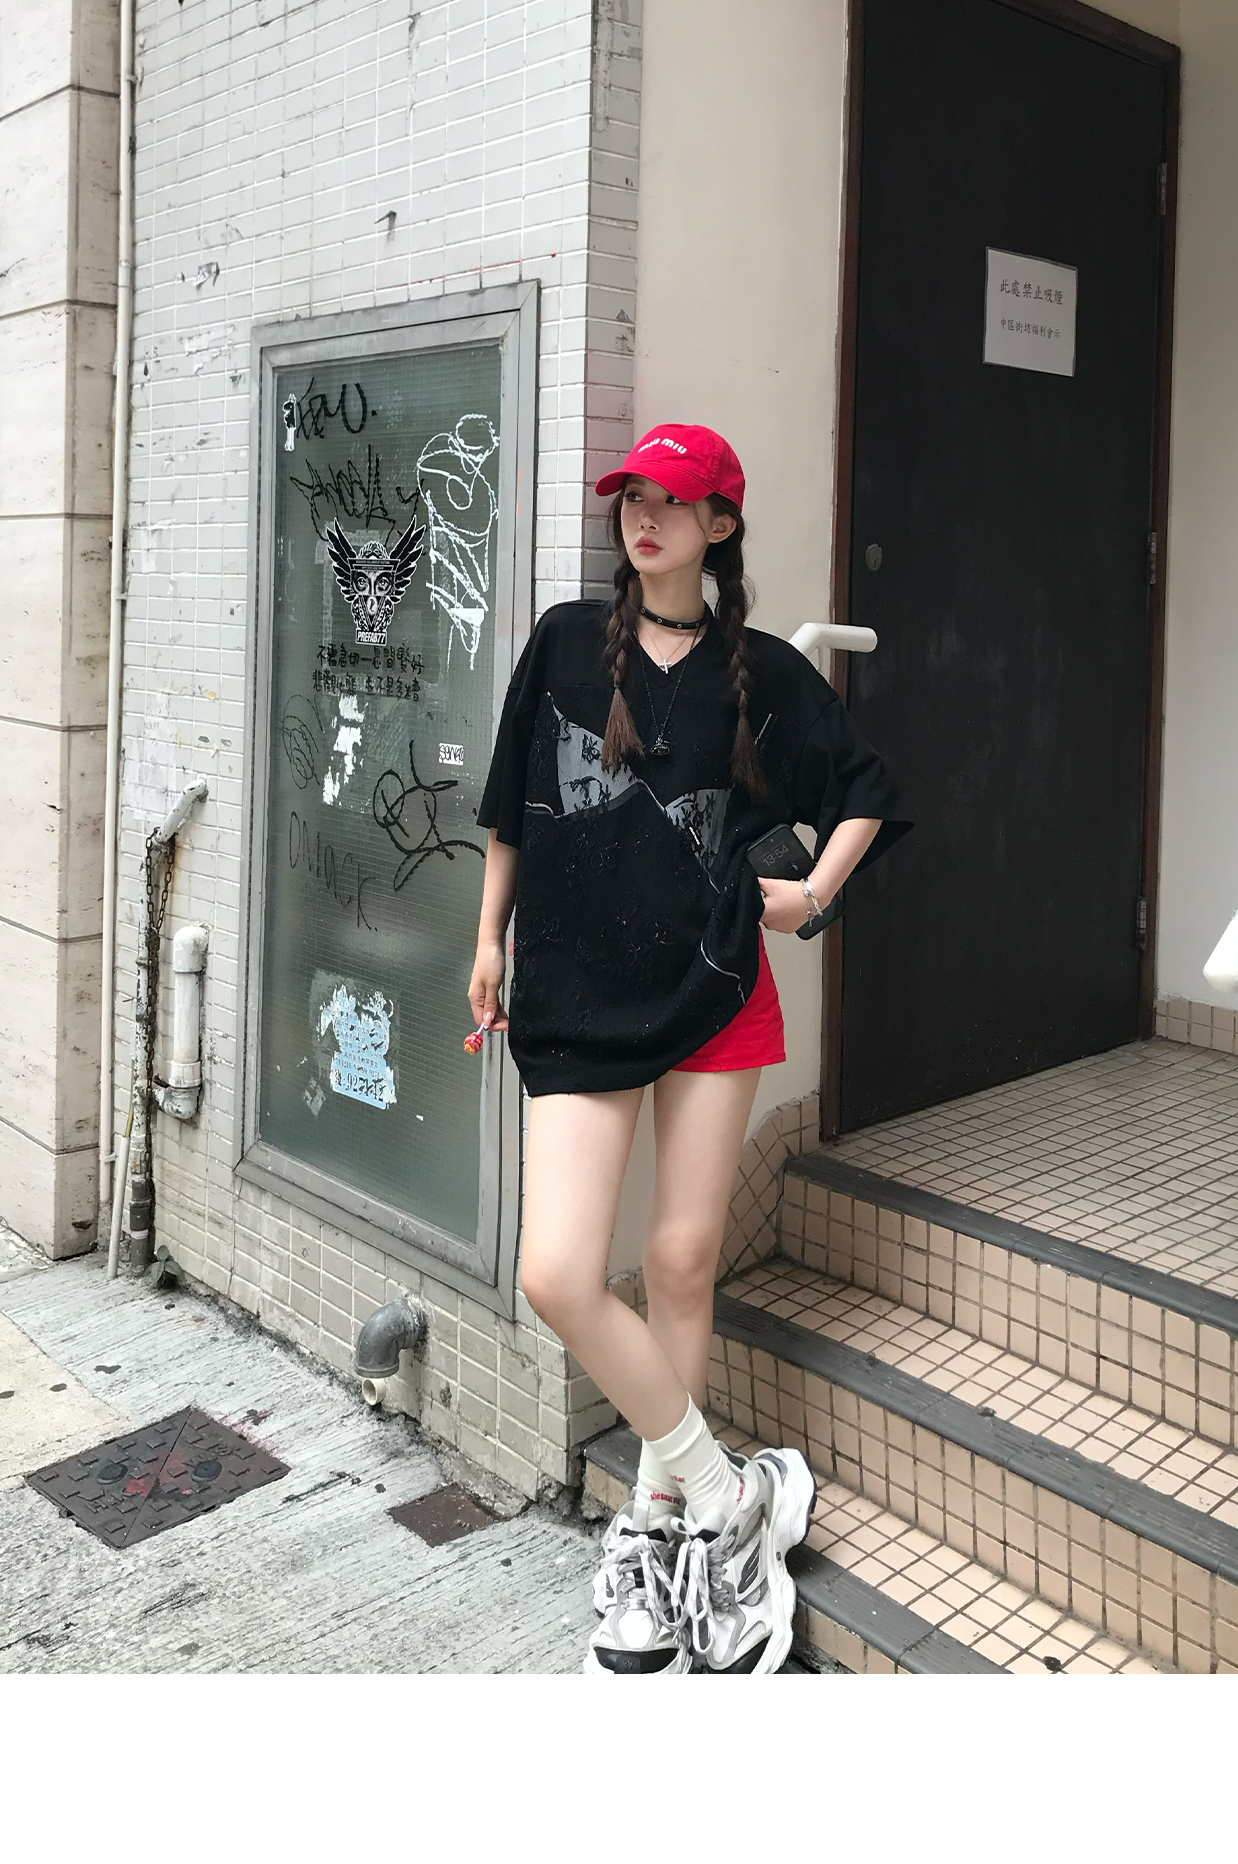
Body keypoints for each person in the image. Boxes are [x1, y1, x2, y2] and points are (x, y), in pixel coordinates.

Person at [469, 423, 909, 1673]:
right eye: (633, 498)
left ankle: (662, 1525)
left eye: (674, 500)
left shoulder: (762, 672)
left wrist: (810, 895)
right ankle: (725, 1492)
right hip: (575, 993)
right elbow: (510, 807)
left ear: (720, 524)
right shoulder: (566, 640)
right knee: (559, 1272)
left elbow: (868, 789)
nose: (645, 516)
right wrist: (488, 940)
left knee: (678, 1257)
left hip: (714, 994)